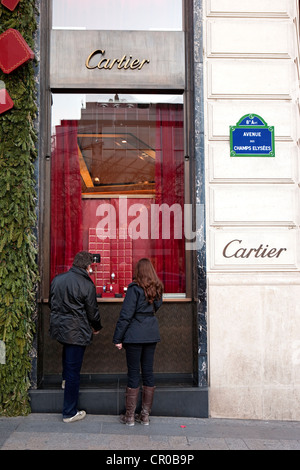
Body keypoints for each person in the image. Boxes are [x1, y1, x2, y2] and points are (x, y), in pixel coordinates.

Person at [49, 251, 102, 423]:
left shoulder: (58, 279)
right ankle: (69, 412)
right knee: (74, 371)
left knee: (67, 356)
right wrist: (96, 327)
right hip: (77, 331)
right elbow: (92, 312)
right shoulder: (87, 284)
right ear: (87, 266)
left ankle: (65, 381)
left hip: (60, 328)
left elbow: (52, 303)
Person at [113, 258, 163, 426]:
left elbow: (126, 315)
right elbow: (157, 306)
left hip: (135, 335)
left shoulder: (134, 289)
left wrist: (118, 338)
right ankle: (145, 415)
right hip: (151, 333)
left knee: (134, 372)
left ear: (138, 271)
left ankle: (129, 416)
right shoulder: (157, 288)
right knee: (148, 371)